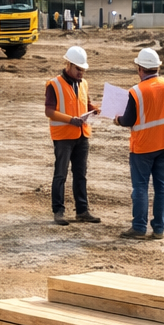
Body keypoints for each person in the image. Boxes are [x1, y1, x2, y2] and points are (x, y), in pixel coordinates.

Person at [113, 47, 164, 239]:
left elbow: (128, 120)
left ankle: (139, 227)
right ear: (157, 67)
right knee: (162, 187)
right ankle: (159, 229)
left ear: (140, 69)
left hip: (143, 147)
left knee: (141, 187)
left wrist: (117, 120)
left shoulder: (136, 91)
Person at [44, 46, 101, 225]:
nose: (81, 73)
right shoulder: (54, 84)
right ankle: (58, 211)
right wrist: (70, 120)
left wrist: (97, 109)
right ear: (68, 64)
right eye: (78, 69)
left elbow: (87, 103)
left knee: (80, 174)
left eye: (83, 70)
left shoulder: (83, 83)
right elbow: (49, 111)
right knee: (60, 174)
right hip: (63, 136)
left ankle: (82, 211)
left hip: (82, 135)